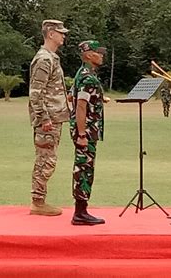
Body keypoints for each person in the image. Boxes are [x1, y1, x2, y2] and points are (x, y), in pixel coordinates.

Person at [28, 19, 70, 216]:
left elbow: (53, 90)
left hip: (54, 117)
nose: (64, 35)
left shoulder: (51, 58)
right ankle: (38, 202)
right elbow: (36, 93)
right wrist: (44, 118)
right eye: (60, 32)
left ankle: (39, 200)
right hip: (48, 120)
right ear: (51, 34)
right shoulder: (44, 59)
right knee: (46, 160)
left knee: (48, 158)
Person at [69, 40, 109, 225]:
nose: (101, 56)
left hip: (85, 129)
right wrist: (82, 134)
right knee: (84, 169)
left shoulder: (82, 73)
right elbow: (80, 106)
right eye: (98, 52)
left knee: (83, 167)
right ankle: (80, 212)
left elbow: (74, 96)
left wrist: (100, 99)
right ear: (88, 55)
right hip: (86, 131)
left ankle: (81, 210)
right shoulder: (88, 78)